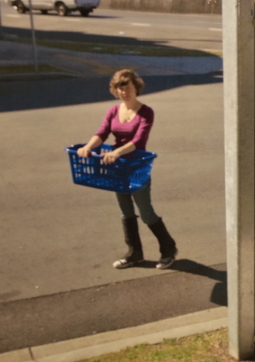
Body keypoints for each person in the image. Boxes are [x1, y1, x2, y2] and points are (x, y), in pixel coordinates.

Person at [76, 69, 178, 270]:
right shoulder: (113, 111)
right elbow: (102, 133)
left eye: (127, 88)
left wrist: (118, 152)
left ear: (136, 88)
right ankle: (134, 254)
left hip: (136, 167)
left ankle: (168, 249)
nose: (124, 92)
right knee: (126, 213)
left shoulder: (146, 112)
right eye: (120, 89)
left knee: (146, 213)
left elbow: (138, 141)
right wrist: (88, 146)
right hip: (117, 167)